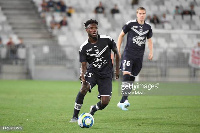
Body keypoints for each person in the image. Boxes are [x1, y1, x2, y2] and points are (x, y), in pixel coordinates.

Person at [70, 19, 120, 122]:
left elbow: (117, 53)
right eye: (91, 28)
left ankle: (93, 109)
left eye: (95, 28)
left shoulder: (107, 40)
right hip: (93, 72)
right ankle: (75, 116)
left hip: (106, 74)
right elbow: (84, 65)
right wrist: (82, 75)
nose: (94, 30)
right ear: (86, 30)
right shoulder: (84, 47)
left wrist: (117, 69)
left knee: (105, 102)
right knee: (84, 88)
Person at [116, 7, 153, 111]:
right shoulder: (130, 24)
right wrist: (118, 49)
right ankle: (125, 100)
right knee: (126, 74)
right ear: (137, 14)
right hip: (128, 54)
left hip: (139, 57)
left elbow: (149, 40)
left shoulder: (148, 27)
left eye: (143, 13)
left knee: (132, 79)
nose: (142, 15)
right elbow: (121, 35)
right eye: (140, 13)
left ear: (145, 14)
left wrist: (151, 52)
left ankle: (122, 101)